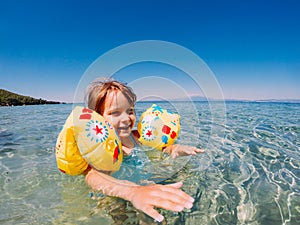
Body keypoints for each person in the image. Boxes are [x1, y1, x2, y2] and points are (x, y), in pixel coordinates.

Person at [83, 78, 204, 222]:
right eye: (115, 113)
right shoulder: (103, 149)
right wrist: (132, 192)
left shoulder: (135, 136)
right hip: (117, 195)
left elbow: (157, 145)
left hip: (143, 185)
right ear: (97, 118)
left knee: (158, 217)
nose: (126, 118)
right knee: (122, 216)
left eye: (130, 111)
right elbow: (92, 176)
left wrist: (174, 148)